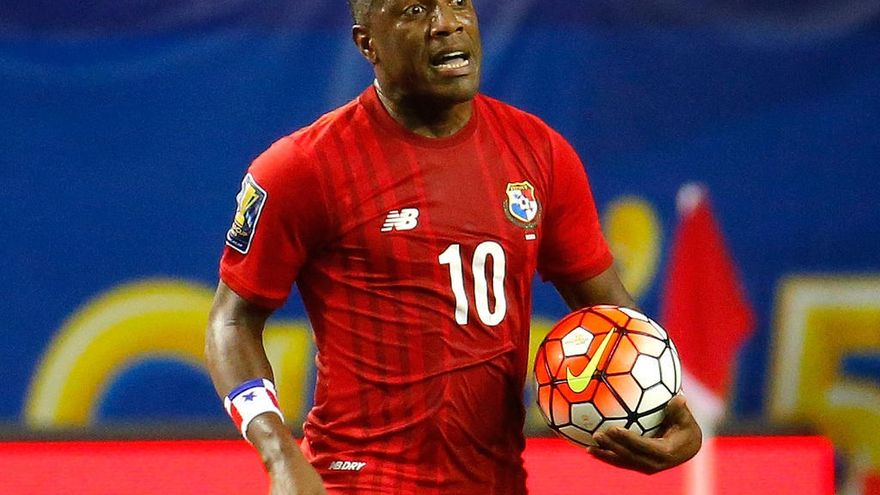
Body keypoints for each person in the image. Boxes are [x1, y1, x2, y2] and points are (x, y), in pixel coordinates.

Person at [205, 1, 702, 494]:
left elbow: (612, 312)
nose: (447, 23)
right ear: (367, 43)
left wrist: (667, 410)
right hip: (357, 481)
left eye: (459, 2)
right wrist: (278, 453)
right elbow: (231, 323)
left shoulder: (541, 152)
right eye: (415, 10)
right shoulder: (300, 167)